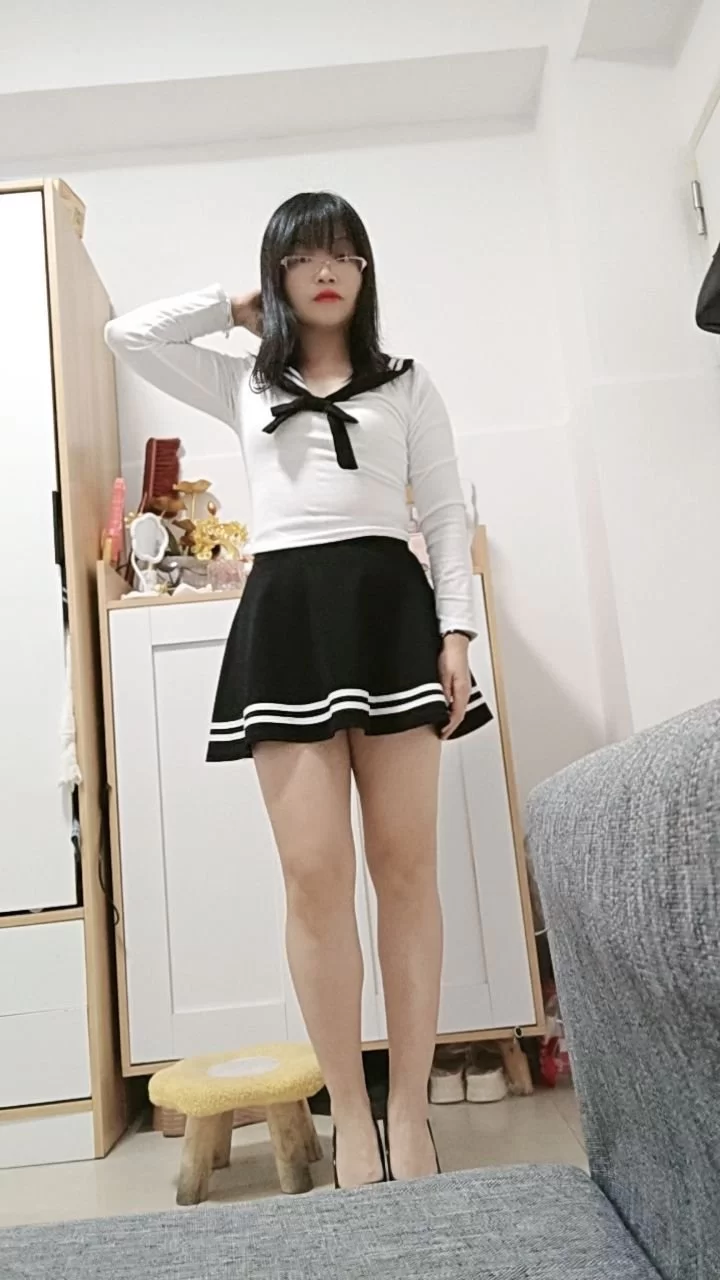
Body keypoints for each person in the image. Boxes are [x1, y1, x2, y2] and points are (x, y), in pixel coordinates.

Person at [105, 191, 492, 1189]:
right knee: (314, 876)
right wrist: (235, 308)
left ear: (366, 272)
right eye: (304, 256)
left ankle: (410, 1112)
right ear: (276, 272)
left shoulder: (407, 384)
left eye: (344, 253)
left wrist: (456, 631)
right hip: (286, 617)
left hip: (390, 612)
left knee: (406, 870)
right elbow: (127, 335)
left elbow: (447, 517)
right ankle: (350, 1113)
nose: (327, 270)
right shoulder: (243, 379)